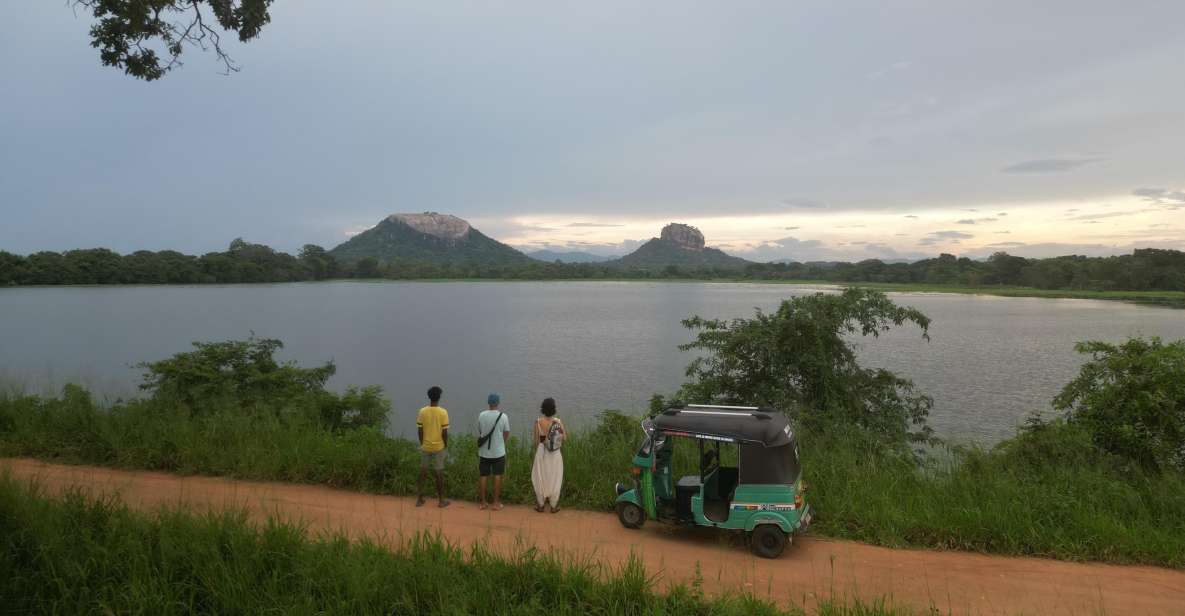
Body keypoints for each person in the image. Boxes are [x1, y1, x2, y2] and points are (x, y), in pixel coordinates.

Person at [416, 385, 450, 508]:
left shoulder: (422, 411)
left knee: (423, 472)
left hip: (426, 446)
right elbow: (444, 432)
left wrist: (422, 443)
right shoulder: (443, 412)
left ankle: (419, 499)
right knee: (439, 473)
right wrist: (445, 445)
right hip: (438, 447)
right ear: (439, 397)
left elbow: (420, 430)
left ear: (429, 397)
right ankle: (441, 501)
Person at [476, 393, 510, 511]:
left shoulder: (481, 415)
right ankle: (496, 503)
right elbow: (506, 433)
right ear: (498, 403)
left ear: (488, 403)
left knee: (483, 476)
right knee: (497, 476)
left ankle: (483, 503)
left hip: (484, 452)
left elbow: (480, 430)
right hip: (498, 452)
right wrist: (502, 443)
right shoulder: (503, 416)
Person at [531, 397, 565, 513]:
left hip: (542, 452)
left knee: (540, 477)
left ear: (543, 409)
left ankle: (540, 505)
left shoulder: (538, 422)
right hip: (555, 453)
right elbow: (564, 438)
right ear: (554, 409)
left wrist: (540, 447)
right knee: (555, 478)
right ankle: (553, 506)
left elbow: (536, 441)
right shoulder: (558, 422)